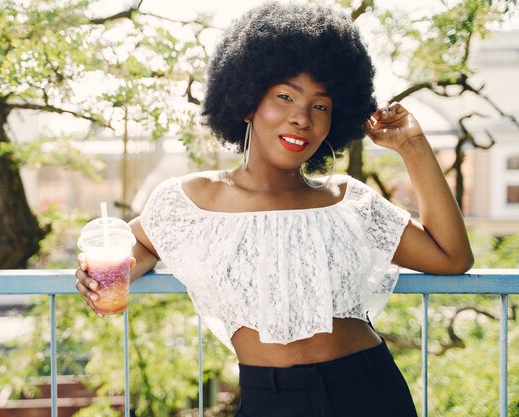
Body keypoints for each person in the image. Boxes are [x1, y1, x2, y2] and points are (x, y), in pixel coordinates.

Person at [76, 2, 473, 416]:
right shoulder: (190, 201)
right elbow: (140, 243)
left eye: (320, 106)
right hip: (270, 399)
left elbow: (451, 256)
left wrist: (412, 146)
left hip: (369, 390)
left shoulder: (348, 201)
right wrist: (98, 273)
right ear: (248, 103)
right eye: (284, 97)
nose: (301, 118)